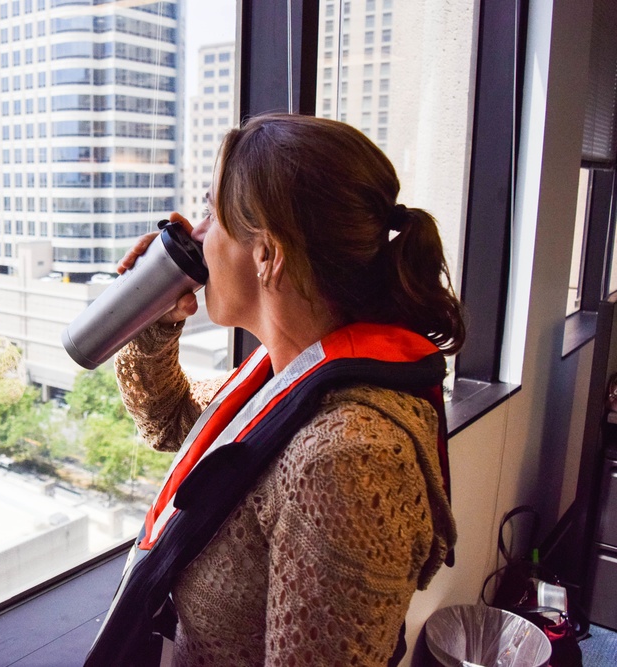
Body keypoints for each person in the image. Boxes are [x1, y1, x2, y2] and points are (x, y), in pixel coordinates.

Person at [84, 113, 462, 667]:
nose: (196, 234)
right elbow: (171, 420)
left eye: (213, 213)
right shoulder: (283, 374)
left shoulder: (343, 458)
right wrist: (155, 319)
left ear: (268, 255)